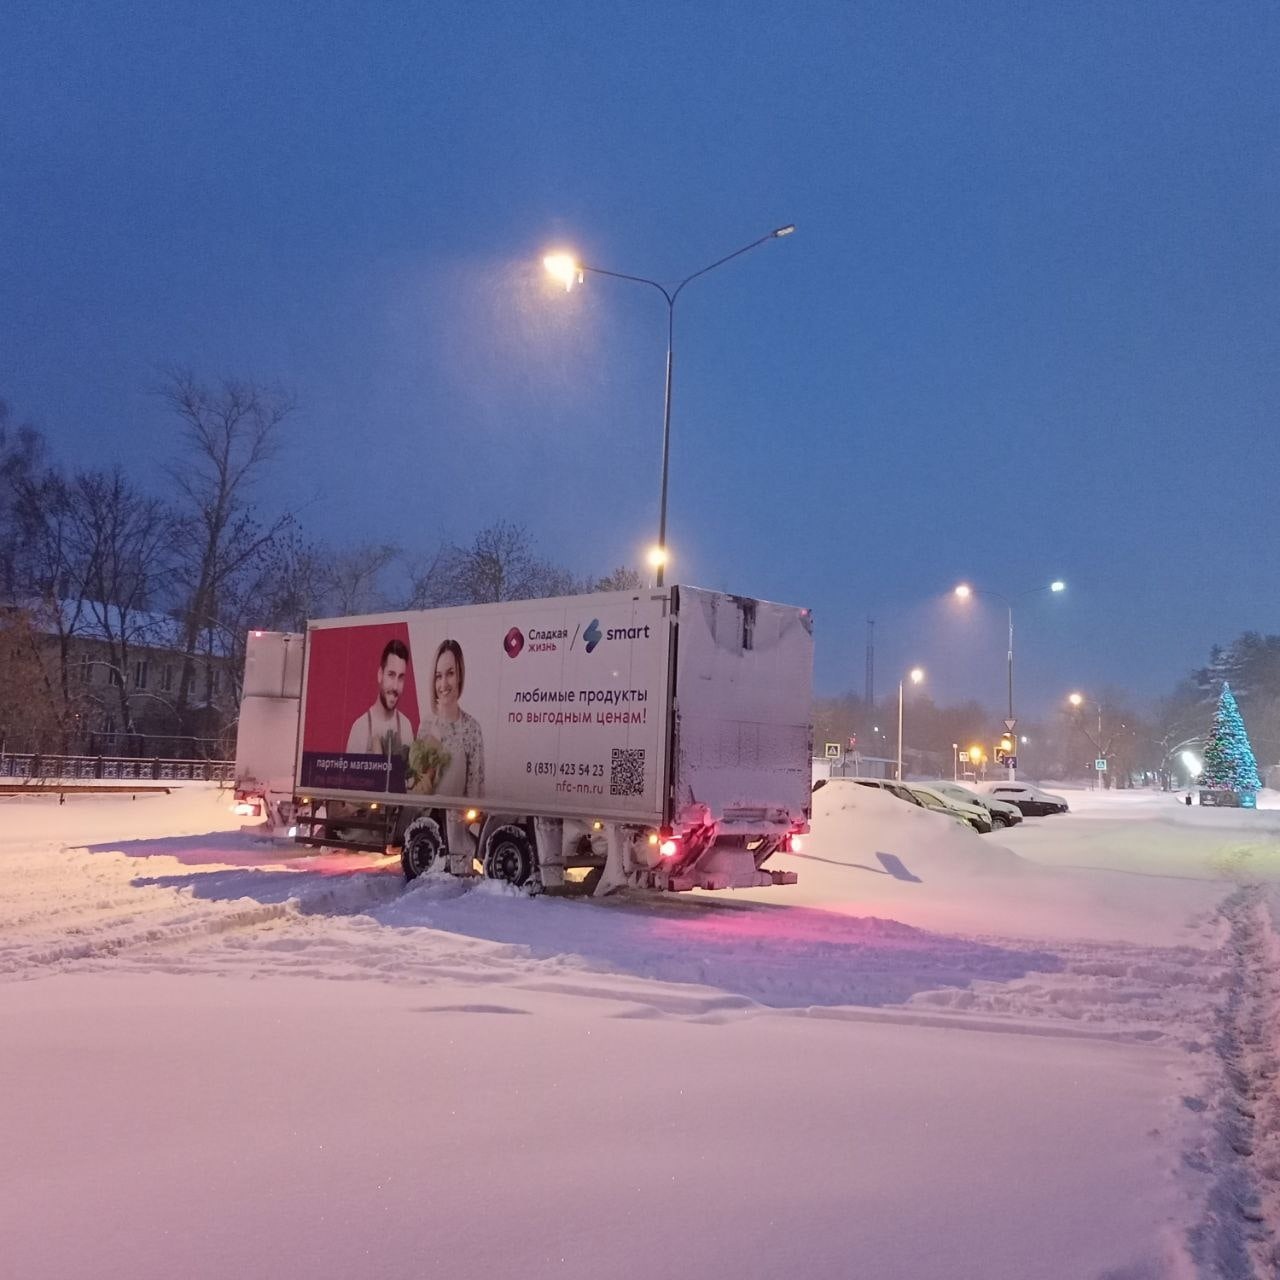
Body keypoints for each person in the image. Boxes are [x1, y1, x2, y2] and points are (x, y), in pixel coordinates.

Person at [421, 638, 484, 797]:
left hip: (458, 813)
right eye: (438, 676)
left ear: (460, 675)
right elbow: (417, 784)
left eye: (450, 673)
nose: (443, 684)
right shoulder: (426, 725)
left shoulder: (472, 728)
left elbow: (475, 792)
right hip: (426, 812)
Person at [346, 638, 415, 755]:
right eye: (391, 675)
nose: (395, 686)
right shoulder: (359, 728)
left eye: (401, 677)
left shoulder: (406, 727)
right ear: (380, 675)